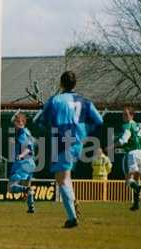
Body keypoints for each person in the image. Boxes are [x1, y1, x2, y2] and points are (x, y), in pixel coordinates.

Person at [36, 71, 103, 228]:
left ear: (61, 84)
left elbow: (40, 122)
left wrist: (50, 120)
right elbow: (98, 121)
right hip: (77, 141)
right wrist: (84, 132)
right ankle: (73, 204)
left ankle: (72, 217)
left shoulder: (55, 100)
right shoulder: (85, 101)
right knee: (65, 177)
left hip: (62, 140)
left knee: (62, 179)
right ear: (75, 84)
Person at [108, 106, 141, 211]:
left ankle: (138, 189)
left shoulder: (127, 126)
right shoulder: (139, 125)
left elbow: (123, 140)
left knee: (129, 181)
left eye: (126, 114)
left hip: (132, 154)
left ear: (132, 115)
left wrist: (110, 146)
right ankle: (136, 204)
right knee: (137, 180)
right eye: (122, 114)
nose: (123, 116)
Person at [8, 112, 36, 213]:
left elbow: (28, 148)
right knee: (26, 186)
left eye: (16, 122)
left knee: (11, 187)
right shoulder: (27, 131)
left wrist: (21, 155)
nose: (14, 124)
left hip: (23, 163)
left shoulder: (22, 132)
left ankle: (27, 191)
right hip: (30, 163)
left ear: (21, 122)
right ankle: (31, 207)